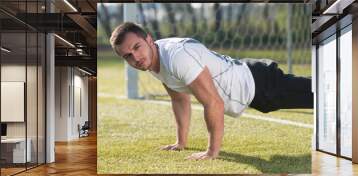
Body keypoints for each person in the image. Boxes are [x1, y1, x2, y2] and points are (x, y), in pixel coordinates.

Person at [109, 22, 313, 160]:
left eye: (137, 47)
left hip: (260, 84)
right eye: (127, 56)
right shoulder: (151, 59)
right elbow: (179, 98)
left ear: (149, 39)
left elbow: (214, 103)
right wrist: (181, 142)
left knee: (322, 94)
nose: (135, 57)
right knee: (321, 94)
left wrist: (211, 152)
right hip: (252, 83)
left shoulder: (176, 57)